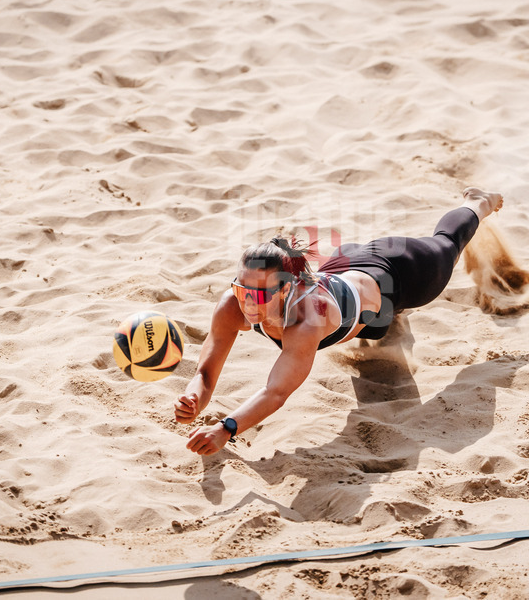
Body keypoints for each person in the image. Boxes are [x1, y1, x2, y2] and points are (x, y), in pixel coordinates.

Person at [175, 188, 503, 455]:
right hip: (344, 271)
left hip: (397, 274)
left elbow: (275, 392)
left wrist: (226, 428)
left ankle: (477, 202)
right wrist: (193, 398)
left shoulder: (307, 320)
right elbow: (205, 372)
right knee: (379, 329)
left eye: (259, 295)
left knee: (447, 243)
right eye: (241, 288)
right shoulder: (233, 303)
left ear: (285, 289)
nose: (247, 302)